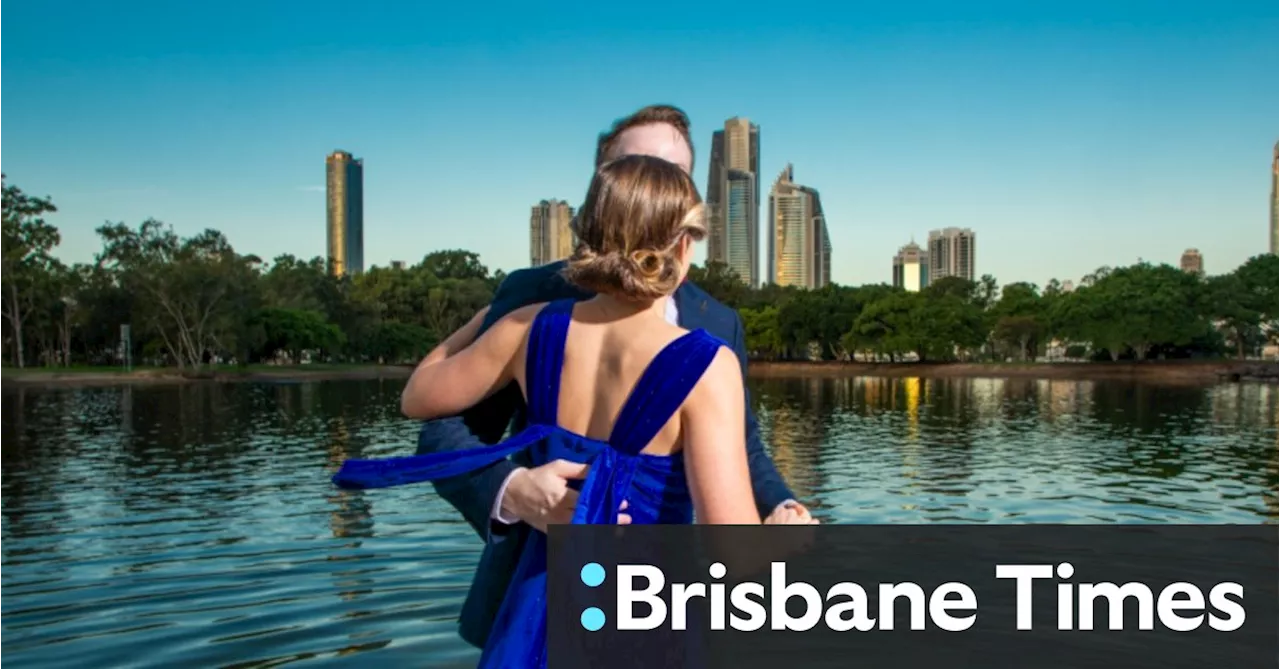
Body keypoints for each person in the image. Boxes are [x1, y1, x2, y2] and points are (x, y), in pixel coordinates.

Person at [333, 154, 800, 666]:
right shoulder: (708, 365)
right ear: (682, 246)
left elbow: (416, 395)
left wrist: (486, 318)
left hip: (538, 610)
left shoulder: (530, 327)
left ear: (591, 235)